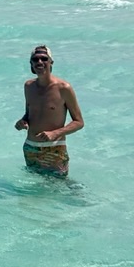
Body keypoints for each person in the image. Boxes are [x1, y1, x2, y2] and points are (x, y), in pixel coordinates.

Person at [15, 45, 84, 176]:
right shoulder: (28, 86)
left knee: (60, 189)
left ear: (51, 62)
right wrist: (22, 122)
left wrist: (55, 133)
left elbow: (79, 122)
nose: (39, 62)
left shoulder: (64, 88)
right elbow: (29, 114)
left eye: (44, 58)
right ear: (31, 64)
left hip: (54, 148)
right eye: (35, 59)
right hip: (30, 147)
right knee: (34, 191)